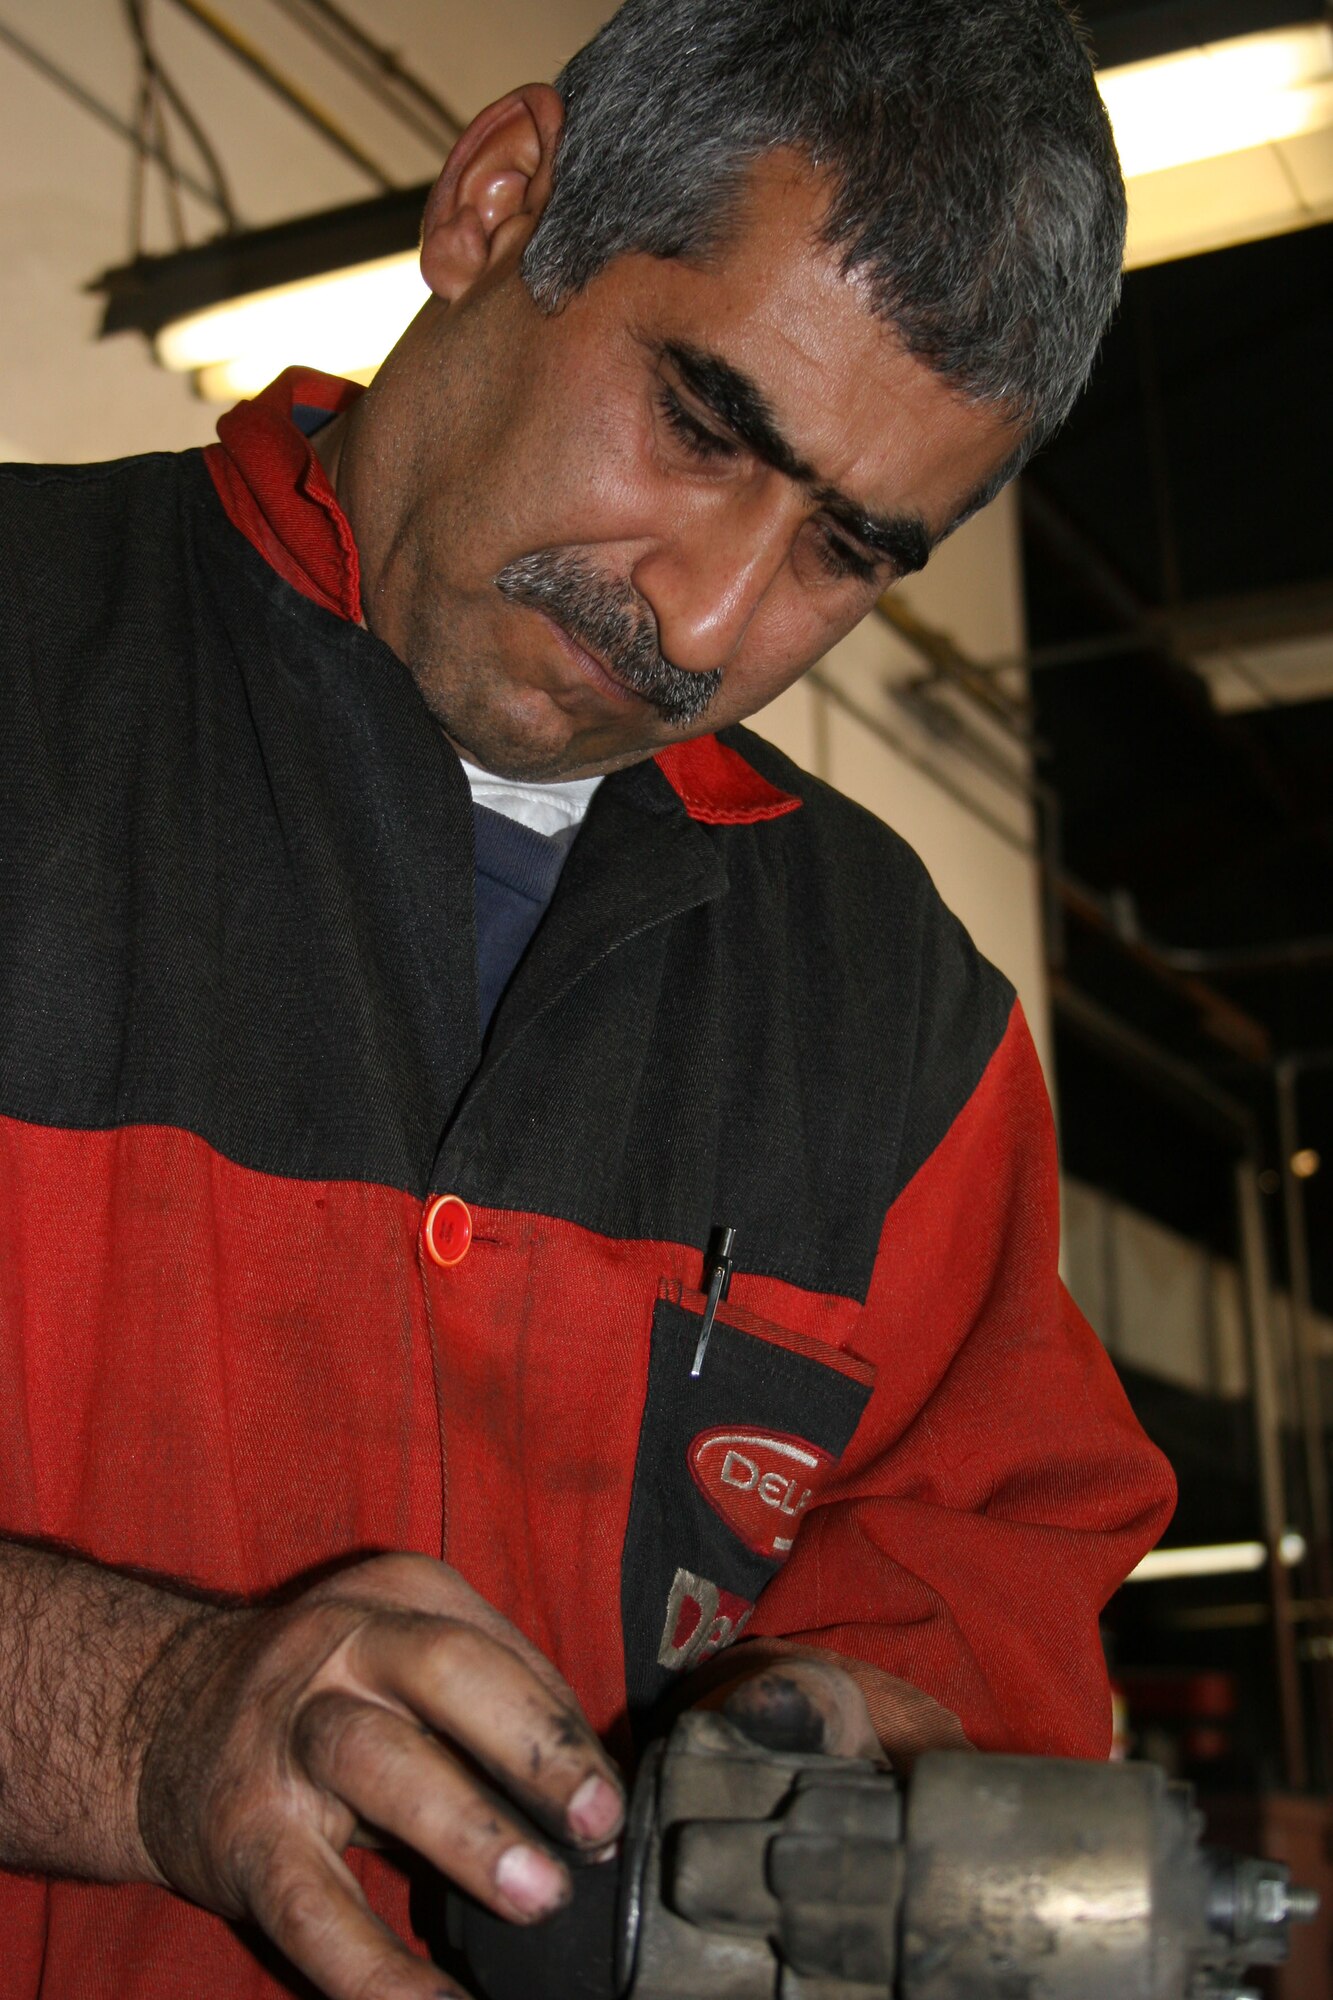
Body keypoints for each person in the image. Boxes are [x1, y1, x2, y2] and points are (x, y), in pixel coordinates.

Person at [0, 1, 1174, 1995]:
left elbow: (983, 1578)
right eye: (706, 428)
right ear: (500, 201)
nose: (710, 621)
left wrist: (869, 1739)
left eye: (848, 551)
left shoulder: (898, 1017)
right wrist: (138, 1709)